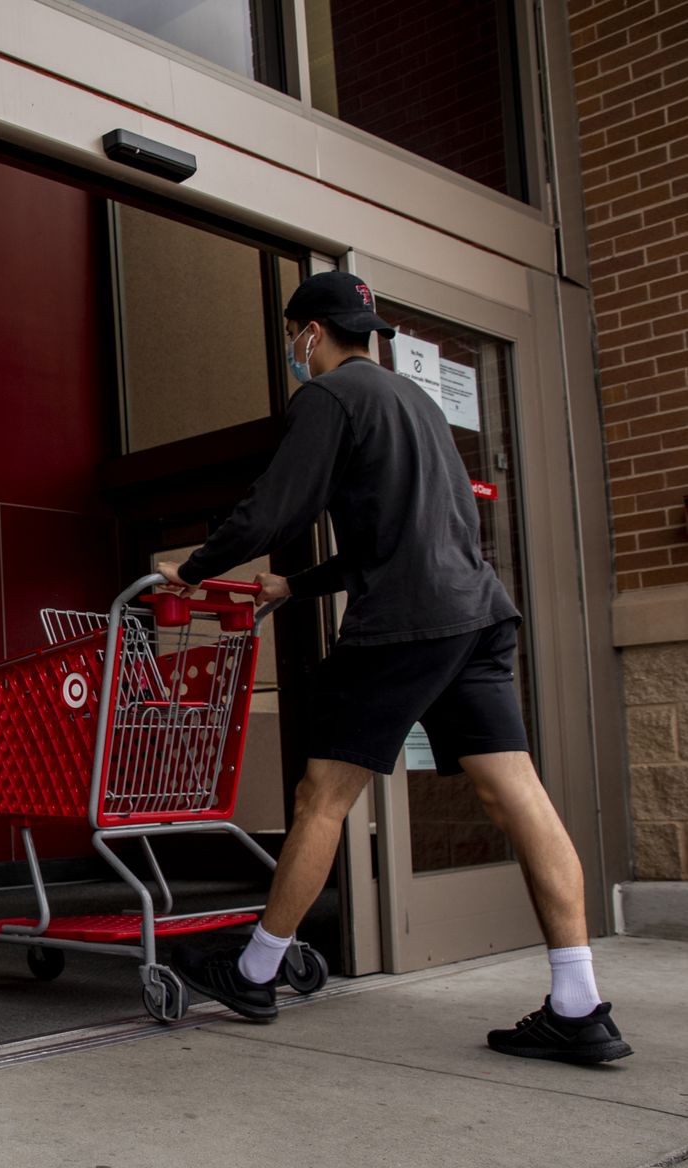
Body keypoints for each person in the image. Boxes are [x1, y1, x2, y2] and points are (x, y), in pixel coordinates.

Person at [157, 270, 631, 1065]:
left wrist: (195, 569)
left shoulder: (329, 398)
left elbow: (277, 508)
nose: (291, 350)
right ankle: (579, 1004)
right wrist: (297, 584)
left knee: (322, 797)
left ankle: (253, 971)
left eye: (290, 335)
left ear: (311, 333)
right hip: (478, 613)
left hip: (406, 625)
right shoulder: (419, 404)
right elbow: (404, 532)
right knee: (517, 794)